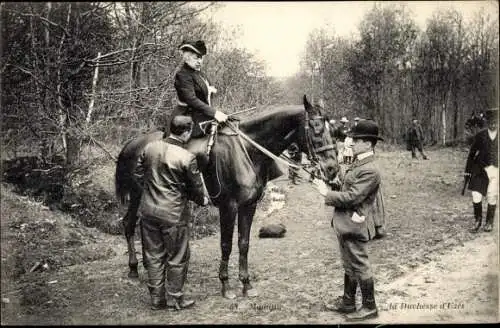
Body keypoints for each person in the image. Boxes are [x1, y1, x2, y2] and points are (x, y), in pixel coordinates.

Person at [135, 115, 210, 311]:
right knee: (177, 256)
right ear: (186, 132)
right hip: (173, 214)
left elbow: (137, 173)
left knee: (153, 256)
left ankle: (156, 300)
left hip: (148, 211)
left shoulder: (150, 147)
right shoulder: (186, 157)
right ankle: (175, 299)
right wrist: (202, 200)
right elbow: (195, 188)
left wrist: (150, 189)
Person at [313, 119, 385, 321]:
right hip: (346, 223)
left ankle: (370, 306)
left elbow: (353, 197)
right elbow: (347, 187)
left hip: (356, 223)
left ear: (369, 144)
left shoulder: (371, 169)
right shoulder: (358, 162)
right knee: (348, 262)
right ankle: (348, 302)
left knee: (360, 264)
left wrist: (326, 194)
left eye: (357, 139)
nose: (351, 142)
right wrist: (330, 183)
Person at [170, 40, 229, 138]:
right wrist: (214, 113)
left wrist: (209, 90)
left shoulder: (199, 73)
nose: (199, 61)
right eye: (196, 58)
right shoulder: (183, 75)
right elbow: (191, 99)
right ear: (187, 58)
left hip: (201, 113)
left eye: (200, 58)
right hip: (186, 116)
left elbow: (201, 91)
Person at [465, 108, 498, 233]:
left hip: (496, 170)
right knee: (476, 194)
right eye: (490, 122)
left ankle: (489, 222)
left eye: (495, 122)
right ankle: (477, 220)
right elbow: (471, 154)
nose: (493, 124)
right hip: (480, 169)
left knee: (492, 194)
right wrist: (467, 171)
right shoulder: (480, 135)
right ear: (486, 121)